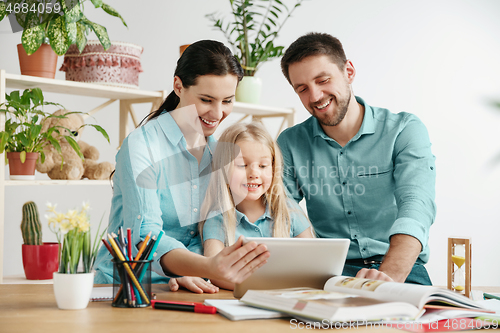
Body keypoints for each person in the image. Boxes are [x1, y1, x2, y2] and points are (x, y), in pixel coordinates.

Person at [93, 40, 270, 293]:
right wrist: (203, 267)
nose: (218, 113)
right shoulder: (142, 145)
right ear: (178, 86)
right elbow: (145, 235)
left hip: (194, 285)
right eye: (207, 99)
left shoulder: (220, 152)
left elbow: (219, 223)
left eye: (227, 101)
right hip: (129, 286)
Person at [276, 33, 436, 285]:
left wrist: (389, 276)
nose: (315, 96)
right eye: (303, 89)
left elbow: (416, 204)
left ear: (348, 71)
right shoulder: (290, 143)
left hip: (399, 266)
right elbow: (281, 209)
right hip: (329, 271)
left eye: (323, 80)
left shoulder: (404, 130)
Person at [200, 122, 314, 290]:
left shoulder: (288, 210)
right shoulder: (217, 218)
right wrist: (266, 286)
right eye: (242, 165)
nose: (254, 173)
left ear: (273, 169)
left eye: (262, 166)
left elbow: (315, 259)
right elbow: (215, 272)